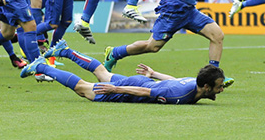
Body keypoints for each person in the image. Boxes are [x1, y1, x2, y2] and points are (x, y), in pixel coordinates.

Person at [22, 41, 231, 104]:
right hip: (135, 88)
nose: (222, 89)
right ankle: (40, 66)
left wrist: (154, 73)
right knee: (84, 89)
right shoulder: (179, 95)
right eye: (219, 86)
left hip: (142, 81)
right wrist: (115, 89)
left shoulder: (193, 83)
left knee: (102, 73)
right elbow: (145, 93)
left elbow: (174, 79)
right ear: (206, 87)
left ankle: (66, 51)